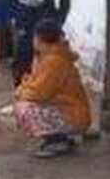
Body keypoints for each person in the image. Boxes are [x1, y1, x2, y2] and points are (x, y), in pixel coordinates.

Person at [13, 18, 92, 158]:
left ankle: (58, 140)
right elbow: (34, 82)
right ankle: (61, 137)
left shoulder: (54, 61)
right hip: (71, 111)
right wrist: (24, 88)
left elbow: (39, 93)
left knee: (24, 108)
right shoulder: (51, 56)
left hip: (73, 115)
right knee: (24, 101)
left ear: (39, 39)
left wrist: (20, 91)